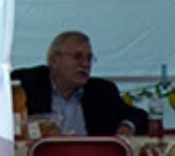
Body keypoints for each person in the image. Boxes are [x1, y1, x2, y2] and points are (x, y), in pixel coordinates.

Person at [11, 31, 148, 136]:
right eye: (78, 57)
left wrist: (127, 126)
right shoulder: (26, 84)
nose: (85, 64)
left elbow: (139, 116)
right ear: (54, 60)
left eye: (89, 58)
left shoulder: (101, 91)